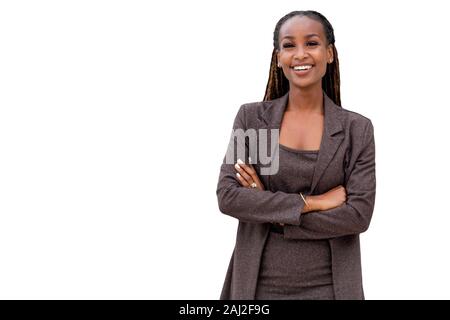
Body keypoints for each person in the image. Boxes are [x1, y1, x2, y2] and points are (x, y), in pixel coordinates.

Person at [216, 10, 376, 300]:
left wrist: (274, 214)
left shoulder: (356, 129)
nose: (300, 54)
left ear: (329, 53)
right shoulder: (255, 121)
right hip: (257, 286)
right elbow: (229, 196)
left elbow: (357, 216)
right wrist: (314, 203)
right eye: (289, 45)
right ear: (278, 57)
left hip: (332, 288)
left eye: (311, 43)